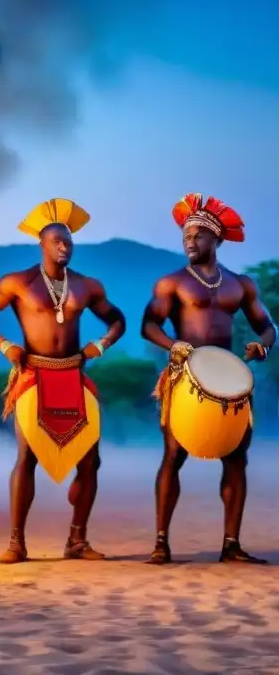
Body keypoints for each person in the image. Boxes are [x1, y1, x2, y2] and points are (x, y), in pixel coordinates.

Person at [0, 198, 126, 564]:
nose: (63, 246)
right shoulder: (19, 283)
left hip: (74, 373)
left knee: (90, 461)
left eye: (68, 241)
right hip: (33, 375)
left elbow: (118, 321)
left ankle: (77, 540)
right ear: (42, 244)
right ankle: (16, 543)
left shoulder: (87, 286)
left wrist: (98, 347)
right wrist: (4, 344)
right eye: (56, 241)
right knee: (26, 457)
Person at [142, 193, 276, 565]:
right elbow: (148, 324)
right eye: (186, 235)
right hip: (184, 375)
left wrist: (263, 346)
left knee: (236, 460)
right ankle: (161, 542)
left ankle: (231, 544)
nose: (190, 241)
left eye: (198, 235)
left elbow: (268, 327)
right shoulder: (172, 283)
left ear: (216, 239)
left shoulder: (241, 285)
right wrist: (173, 345)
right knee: (173, 455)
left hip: (228, 379)